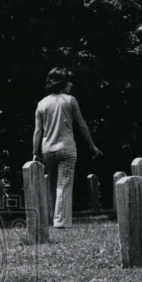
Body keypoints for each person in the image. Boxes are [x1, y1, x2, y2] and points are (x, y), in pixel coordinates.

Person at [32, 67, 102, 227]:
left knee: (52, 185)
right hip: (66, 148)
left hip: (47, 148)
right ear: (62, 83)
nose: (71, 84)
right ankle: (61, 222)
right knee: (64, 184)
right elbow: (82, 125)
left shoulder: (41, 103)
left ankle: (51, 219)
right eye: (69, 81)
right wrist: (92, 145)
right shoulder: (70, 100)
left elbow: (37, 131)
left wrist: (35, 152)